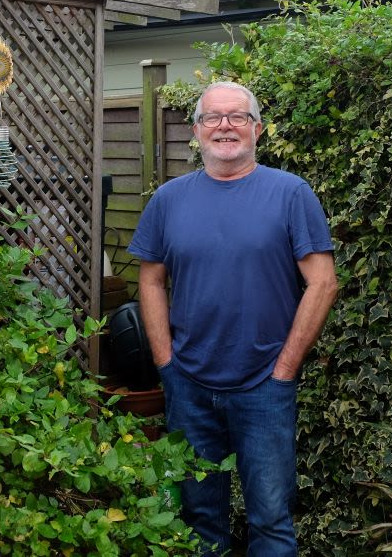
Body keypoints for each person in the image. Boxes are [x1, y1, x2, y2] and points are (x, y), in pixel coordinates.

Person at [129, 81, 338, 556]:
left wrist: (284, 370)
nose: (225, 126)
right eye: (213, 118)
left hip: (265, 386)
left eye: (237, 117)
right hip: (189, 386)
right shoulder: (168, 200)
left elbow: (323, 282)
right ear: (197, 132)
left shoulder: (290, 194)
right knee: (200, 518)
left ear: (257, 129)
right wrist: (166, 363)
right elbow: (150, 280)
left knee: (270, 518)